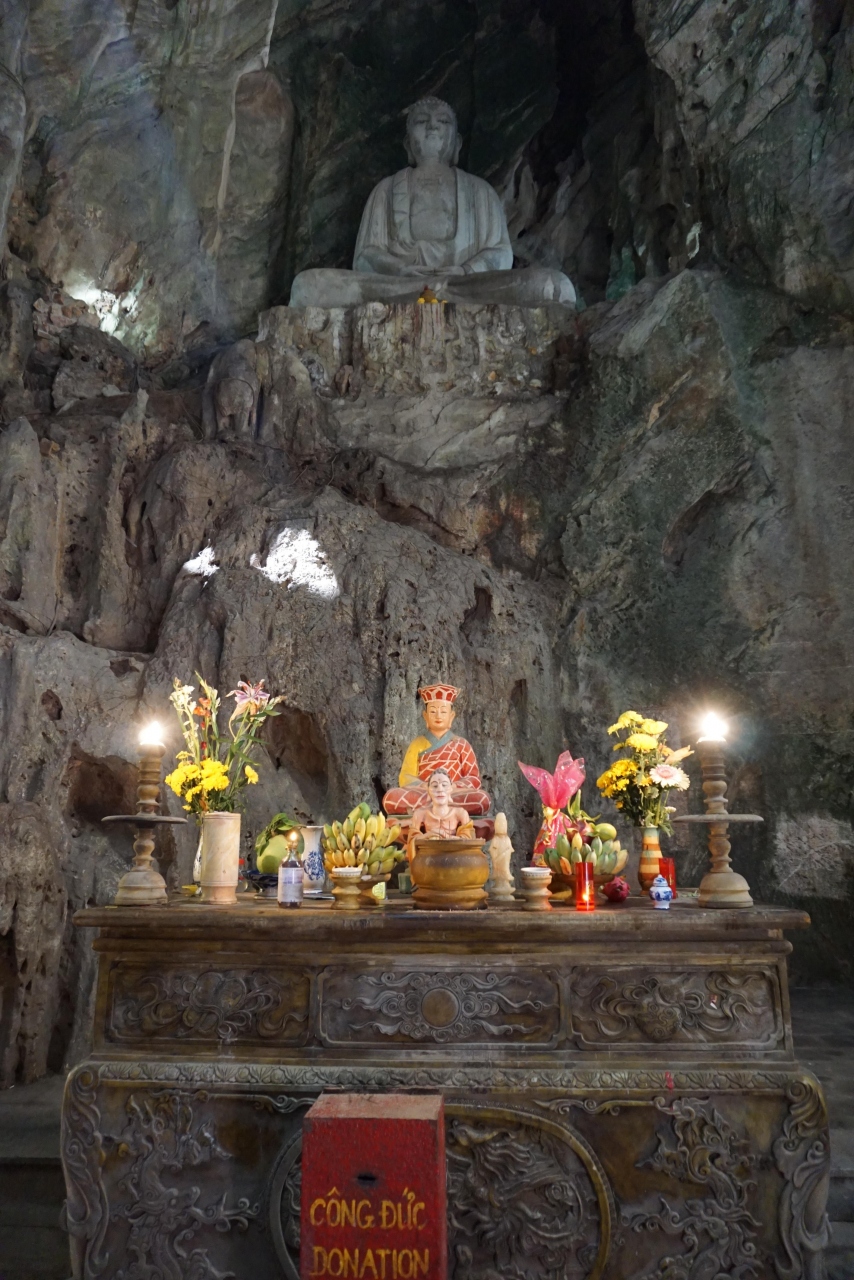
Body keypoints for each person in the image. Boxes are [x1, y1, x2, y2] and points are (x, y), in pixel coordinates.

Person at [290, 97, 575, 309]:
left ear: (457, 143)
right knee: (307, 286)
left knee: (553, 286)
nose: (432, 126)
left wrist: (464, 270)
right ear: (407, 144)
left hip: (466, 286)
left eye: (443, 121)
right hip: (398, 286)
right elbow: (365, 257)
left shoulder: (480, 192)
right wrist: (400, 270)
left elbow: (500, 253)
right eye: (421, 121)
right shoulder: (385, 190)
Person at [382, 683, 491, 819]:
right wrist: (424, 786)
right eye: (433, 712)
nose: (438, 716)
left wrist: (453, 786)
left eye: (443, 712)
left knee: (482, 799)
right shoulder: (417, 744)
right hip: (425, 793)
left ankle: (432, 807)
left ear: (451, 716)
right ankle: (438, 806)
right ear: (425, 716)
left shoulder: (462, 744)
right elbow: (405, 777)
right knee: (390, 797)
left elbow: (474, 778)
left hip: (453, 794)